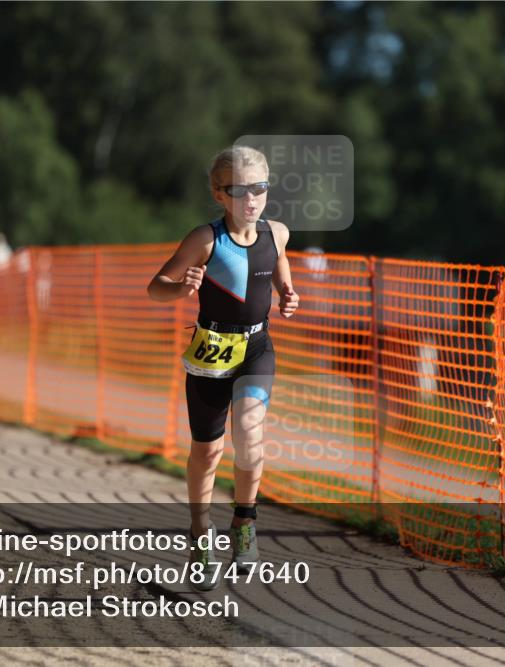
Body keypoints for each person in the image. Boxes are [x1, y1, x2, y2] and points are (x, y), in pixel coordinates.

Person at [147, 146, 299, 589]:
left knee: (250, 432)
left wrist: (288, 292)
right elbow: (156, 286)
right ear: (219, 193)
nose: (250, 199)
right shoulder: (205, 239)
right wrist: (180, 291)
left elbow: (279, 264)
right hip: (211, 351)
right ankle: (199, 534)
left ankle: (245, 521)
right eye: (238, 190)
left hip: (256, 345)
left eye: (259, 188)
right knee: (208, 452)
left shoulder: (278, 233)